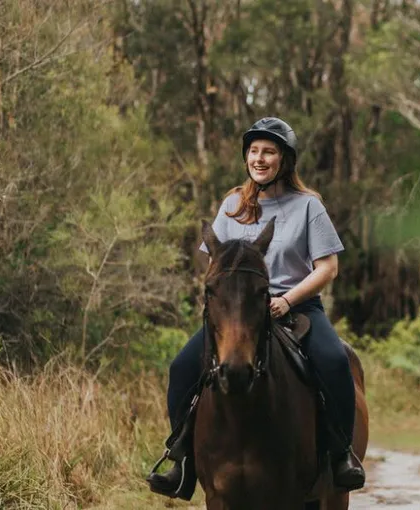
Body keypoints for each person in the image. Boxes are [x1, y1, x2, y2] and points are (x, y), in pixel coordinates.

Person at [146, 117, 365, 499]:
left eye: (269, 151)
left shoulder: (308, 206)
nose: (259, 159)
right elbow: (212, 262)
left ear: (285, 159)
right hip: (236, 311)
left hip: (296, 308)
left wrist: (286, 299)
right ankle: (181, 458)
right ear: (246, 156)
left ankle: (340, 456)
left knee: (333, 361)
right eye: (253, 151)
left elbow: (328, 267)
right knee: (182, 367)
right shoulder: (232, 206)